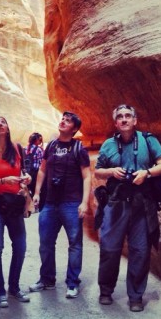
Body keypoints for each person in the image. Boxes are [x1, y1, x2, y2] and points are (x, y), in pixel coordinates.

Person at [94, 104, 161, 312]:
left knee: (140, 251)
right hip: (116, 203)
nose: (124, 119)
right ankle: (106, 290)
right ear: (116, 122)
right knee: (109, 248)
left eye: (128, 116)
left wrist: (147, 173)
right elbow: (97, 172)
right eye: (120, 117)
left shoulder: (148, 140)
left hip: (141, 204)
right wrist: (110, 171)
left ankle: (136, 296)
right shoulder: (109, 144)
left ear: (135, 120)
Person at [30, 112, 91, 299]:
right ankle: (47, 279)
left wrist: (84, 202)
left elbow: (87, 176)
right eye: (63, 119)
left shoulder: (79, 148)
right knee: (46, 243)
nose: (63, 121)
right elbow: (42, 170)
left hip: (71, 203)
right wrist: (37, 192)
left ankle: (72, 282)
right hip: (50, 203)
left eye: (68, 121)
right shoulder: (52, 146)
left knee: (74, 244)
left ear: (74, 129)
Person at [0, 116, 32, 308]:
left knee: (20, 246)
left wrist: (26, 178)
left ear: (8, 128)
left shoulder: (17, 148)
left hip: (15, 202)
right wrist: (3, 181)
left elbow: (23, 173)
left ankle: (14, 287)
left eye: (3, 122)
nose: (0, 124)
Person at [25, 132, 44, 198]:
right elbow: (42, 163)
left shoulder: (25, 148)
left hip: (26, 173)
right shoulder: (39, 150)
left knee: (26, 190)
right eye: (40, 140)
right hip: (35, 174)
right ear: (36, 140)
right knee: (34, 192)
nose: (40, 142)